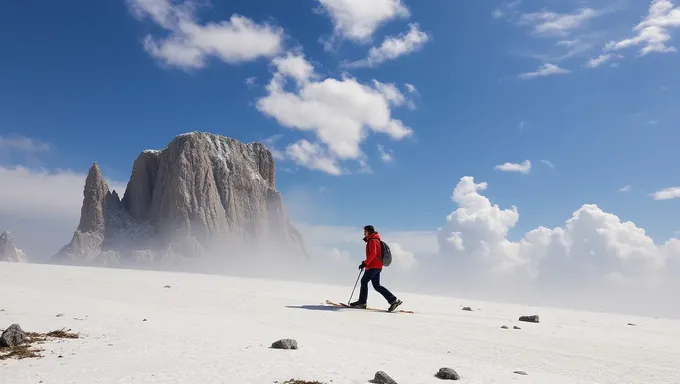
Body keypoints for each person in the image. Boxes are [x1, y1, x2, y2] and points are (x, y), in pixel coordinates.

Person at [349, 225, 403, 312]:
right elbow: (375, 254)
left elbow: (373, 254)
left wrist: (365, 263)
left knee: (364, 281)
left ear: (369, 232)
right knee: (377, 286)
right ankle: (393, 300)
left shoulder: (372, 241)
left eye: (365, 232)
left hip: (373, 267)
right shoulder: (376, 240)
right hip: (377, 266)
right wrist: (365, 263)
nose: (364, 233)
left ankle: (362, 303)